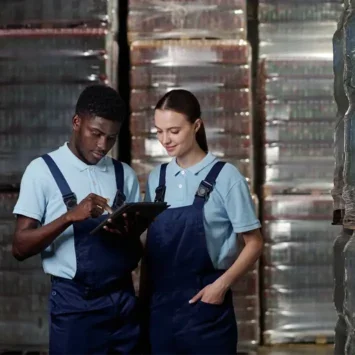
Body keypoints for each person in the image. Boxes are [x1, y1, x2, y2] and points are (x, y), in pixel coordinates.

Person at [12, 84, 144, 355]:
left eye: (111, 138)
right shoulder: (42, 171)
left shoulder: (125, 175)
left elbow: (136, 255)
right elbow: (20, 248)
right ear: (76, 122)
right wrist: (70, 217)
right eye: (96, 134)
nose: (102, 146)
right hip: (75, 305)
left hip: (122, 301)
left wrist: (128, 237)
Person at [142, 89, 264, 354]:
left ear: (196, 126)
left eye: (174, 131)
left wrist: (220, 286)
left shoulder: (226, 176)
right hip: (161, 309)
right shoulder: (157, 179)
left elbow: (254, 243)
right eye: (159, 131)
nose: (166, 140)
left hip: (205, 309)